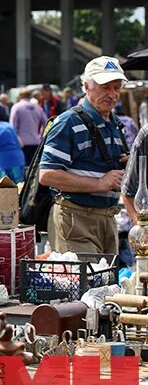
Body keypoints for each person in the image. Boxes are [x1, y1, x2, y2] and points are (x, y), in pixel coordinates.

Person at [40, 56, 129, 254]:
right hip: (76, 218)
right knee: (86, 283)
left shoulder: (114, 123)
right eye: (105, 87)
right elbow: (47, 175)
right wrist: (99, 183)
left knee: (106, 283)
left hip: (106, 218)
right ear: (87, 86)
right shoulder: (68, 122)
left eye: (116, 88)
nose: (112, 94)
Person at [9, 88, 47, 166]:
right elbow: (47, 123)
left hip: (22, 143)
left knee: (24, 169)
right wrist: (40, 136)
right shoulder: (37, 107)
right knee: (33, 169)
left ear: (20, 96)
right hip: (36, 142)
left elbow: (12, 127)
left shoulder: (16, 107)